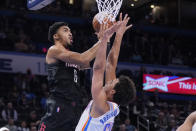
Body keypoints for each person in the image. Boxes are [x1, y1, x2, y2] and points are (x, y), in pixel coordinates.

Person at [75, 13, 136, 131]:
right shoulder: (114, 105)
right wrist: (119, 34)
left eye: (113, 82)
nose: (110, 81)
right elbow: (110, 65)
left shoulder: (101, 104)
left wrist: (104, 40)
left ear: (112, 91)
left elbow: (98, 70)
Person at [38, 21, 102, 131]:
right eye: (65, 30)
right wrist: (102, 40)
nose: (70, 33)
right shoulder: (54, 50)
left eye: (70, 31)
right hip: (59, 105)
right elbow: (84, 58)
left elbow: (96, 64)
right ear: (56, 36)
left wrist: (106, 40)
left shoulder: (72, 57)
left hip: (74, 107)